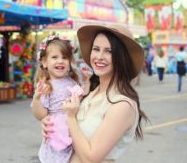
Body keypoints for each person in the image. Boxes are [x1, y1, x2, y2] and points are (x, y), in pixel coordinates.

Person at [42, 25, 148, 163]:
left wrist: (71, 118)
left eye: (109, 51)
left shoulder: (122, 105)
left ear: (122, 57)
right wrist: (51, 124)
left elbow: (91, 158)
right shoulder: (93, 91)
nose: (99, 57)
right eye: (96, 49)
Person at [31, 35, 83, 163]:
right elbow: (41, 115)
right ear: (44, 62)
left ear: (70, 61)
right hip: (57, 132)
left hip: (74, 128)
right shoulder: (46, 85)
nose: (60, 61)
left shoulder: (72, 81)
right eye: (54, 57)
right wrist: (37, 99)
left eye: (64, 57)